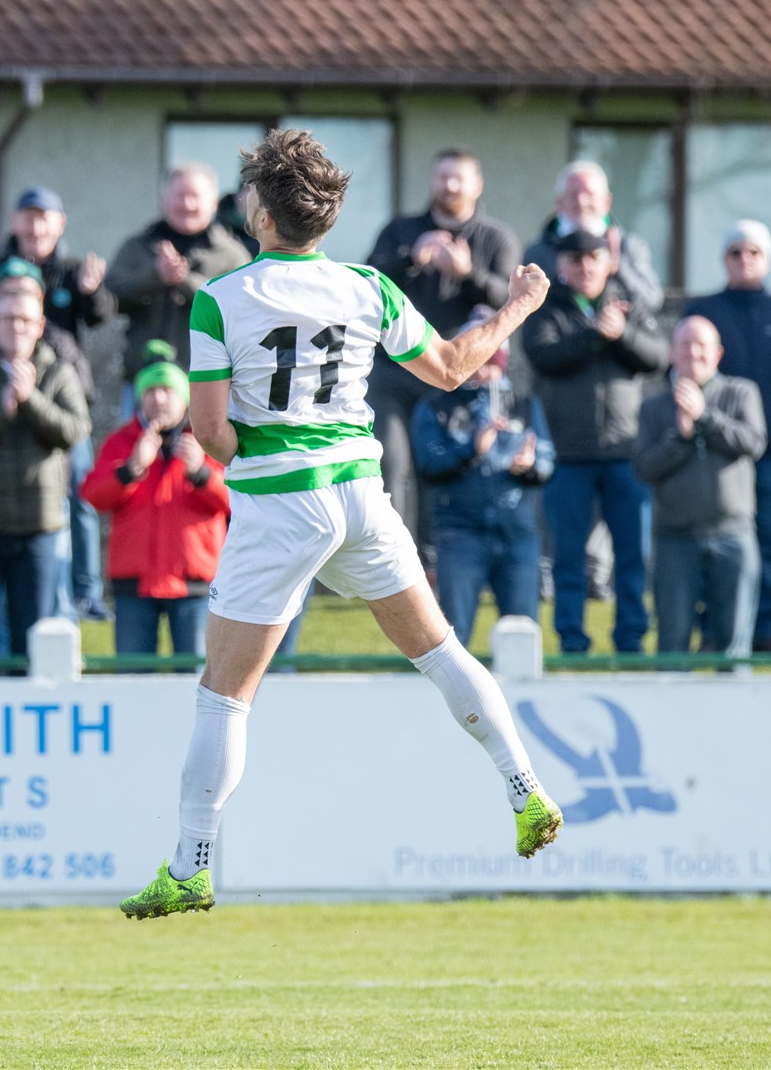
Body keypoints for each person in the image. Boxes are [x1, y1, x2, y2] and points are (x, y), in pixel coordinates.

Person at [119, 128, 560, 920]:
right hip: (361, 492)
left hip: (281, 502)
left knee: (224, 696)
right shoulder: (367, 287)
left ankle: (190, 865)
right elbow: (454, 367)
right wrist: (520, 302)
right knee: (441, 652)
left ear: (259, 213)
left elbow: (211, 434)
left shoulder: (221, 298)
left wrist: (251, 442)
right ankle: (525, 788)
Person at [0, 188, 116, 622]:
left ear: (60, 224)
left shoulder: (70, 271)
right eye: (28, 217)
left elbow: (100, 314)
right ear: (14, 223)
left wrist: (92, 291)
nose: (35, 226)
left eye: (45, 217)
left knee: (78, 493)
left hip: (53, 390)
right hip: (3, 395)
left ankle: (85, 591)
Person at [365, 149, 522, 542]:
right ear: (431, 182)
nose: (449, 185)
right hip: (394, 372)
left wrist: (469, 274)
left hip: (456, 374)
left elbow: (510, 298)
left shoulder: (496, 237)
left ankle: (439, 559)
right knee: (391, 466)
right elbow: (368, 286)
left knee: (440, 466)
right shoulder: (401, 230)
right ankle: (392, 558)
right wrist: (411, 260)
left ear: (477, 185)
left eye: (459, 178)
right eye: (442, 177)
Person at [522, 228, 666, 655]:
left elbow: (657, 356)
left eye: (594, 259)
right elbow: (545, 356)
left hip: (626, 454)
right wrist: (594, 335)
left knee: (632, 556)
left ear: (608, 263)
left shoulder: (629, 306)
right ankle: (572, 640)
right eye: (575, 260)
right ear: (562, 266)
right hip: (568, 456)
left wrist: (621, 332)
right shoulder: (547, 310)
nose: (585, 267)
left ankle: (631, 639)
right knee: (567, 558)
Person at [682, 220, 771, 652]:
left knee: (767, 543)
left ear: (767, 259)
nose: (744, 260)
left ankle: (765, 629)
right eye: (736, 252)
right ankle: (713, 632)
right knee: (711, 543)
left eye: (753, 253)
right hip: (715, 454)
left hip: (770, 452)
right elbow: (683, 367)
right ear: (725, 259)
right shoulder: (704, 311)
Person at [0, 287, 90, 663]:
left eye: (25, 320)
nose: (17, 327)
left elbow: (74, 431)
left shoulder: (59, 373)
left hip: (39, 524)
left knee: (33, 639)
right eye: (8, 319)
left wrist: (30, 400)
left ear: (40, 325)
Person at [411, 307, 553, 646]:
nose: (483, 371)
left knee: (521, 636)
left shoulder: (523, 404)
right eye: (477, 360)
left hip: (516, 533)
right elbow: (429, 464)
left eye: (491, 362)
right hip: (460, 533)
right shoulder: (437, 406)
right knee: (451, 638)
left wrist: (529, 464)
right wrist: (471, 450)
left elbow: (548, 460)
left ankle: (520, 700)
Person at [633, 316, 766, 659]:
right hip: (676, 537)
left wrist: (705, 417)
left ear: (717, 353)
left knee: (734, 646)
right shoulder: (653, 407)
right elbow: (645, 467)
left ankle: (736, 712)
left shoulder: (742, 393)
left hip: (733, 533)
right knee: (672, 642)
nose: (694, 353)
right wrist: (680, 436)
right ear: (671, 353)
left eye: (701, 345)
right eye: (685, 345)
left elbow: (753, 442)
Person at [82, 358, 228, 658]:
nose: (158, 398)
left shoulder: (210, 439)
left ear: (185, 398)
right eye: (150, 391)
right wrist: (130, 469)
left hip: (195, 583)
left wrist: (202, 474)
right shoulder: (121, 442)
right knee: (133, 680)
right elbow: (93, 496)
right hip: (134, 582)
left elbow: (235, 501)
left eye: (167, 390)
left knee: (196, 681)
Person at [105, 164, 252, 418]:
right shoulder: (137, 246)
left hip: (209, 383)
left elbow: (242, 310)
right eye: (180, 196)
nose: (187, 204)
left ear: (213, 203)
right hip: (144, 382)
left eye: (195, 196)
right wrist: (155, 277)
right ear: (164, 201)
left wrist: (185, 280)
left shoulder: (232, 255)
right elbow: (109, 298)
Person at [523, 159, 663, 312]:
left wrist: (617, 266)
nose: (581, 202)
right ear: (559, 202)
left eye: (589, 194)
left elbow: (652, 299)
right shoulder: (538, 253)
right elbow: (525, 304)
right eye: (573, 195)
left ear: (607, 202)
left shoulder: (628, 246)